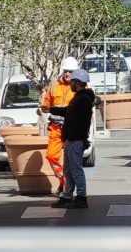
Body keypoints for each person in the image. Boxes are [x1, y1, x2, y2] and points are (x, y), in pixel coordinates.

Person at [49, 68, 95, 209]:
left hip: (75, 140)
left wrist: (79, 138)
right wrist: (51, 109)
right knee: (68, 170)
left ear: (78, 82)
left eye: (72, 82)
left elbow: (79, 121)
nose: (70, 85)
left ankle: (81, 197)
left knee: (76, 170)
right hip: (71, 140)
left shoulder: (84, 99)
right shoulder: (79, 98)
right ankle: (67, 196)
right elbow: (68, 112)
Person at [40, 56, 78, 197]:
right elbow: (46, 104)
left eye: (71, 71)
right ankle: (64, 181)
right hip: (56, 128)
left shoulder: (78, 86)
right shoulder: (54, 85)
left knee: (71, 160)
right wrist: (44, 108)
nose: (68, 74)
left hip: (71, 129)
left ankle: (69, 187)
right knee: (51, 156)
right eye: (66, 71)